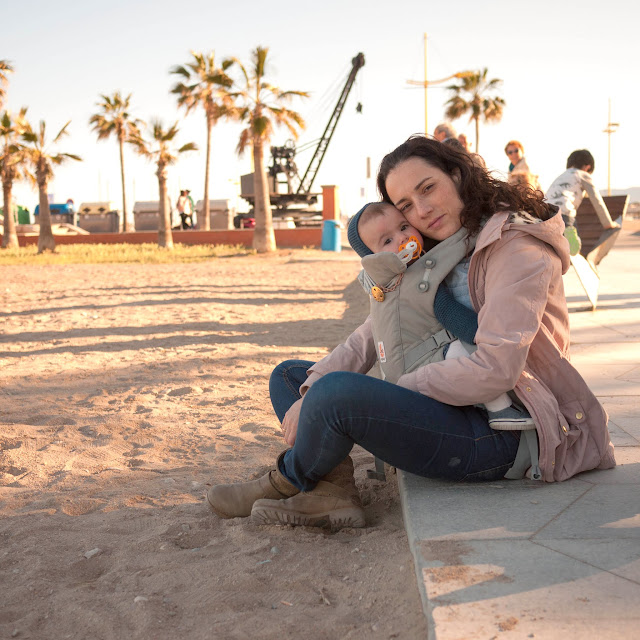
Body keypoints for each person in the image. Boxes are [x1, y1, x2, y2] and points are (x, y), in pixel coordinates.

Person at [206, 135, 615, 531]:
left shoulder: (516, 248)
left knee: (337, 395)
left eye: (428, 188)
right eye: (405, 205)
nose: (421, 210)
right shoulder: (443, 249)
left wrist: (399, 389)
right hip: (448, 405)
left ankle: (290, 479)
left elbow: (497, 369)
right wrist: (312, 389)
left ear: (457, 175)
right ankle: (332, 490)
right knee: (293, 378)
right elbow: (370, 333)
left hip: (504, 434)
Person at [350, 201, 534, 429]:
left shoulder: (383, 285)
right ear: (373, 257)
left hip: (400, 369)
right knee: (461, 352)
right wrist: (486, 338)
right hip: (416, 367)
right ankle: (500, 408)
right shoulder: (413, 278)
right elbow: (448, 311)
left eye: (404, 227)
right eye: (387, 241)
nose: (401, 239)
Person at [545, 149, 620, 257]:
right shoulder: (583, 175)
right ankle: (570, 239)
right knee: (572, 236)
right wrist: (608, 223)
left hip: (546, 211)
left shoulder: (562, 176)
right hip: (565, 211)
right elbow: (597, 200)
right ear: (587, 167)